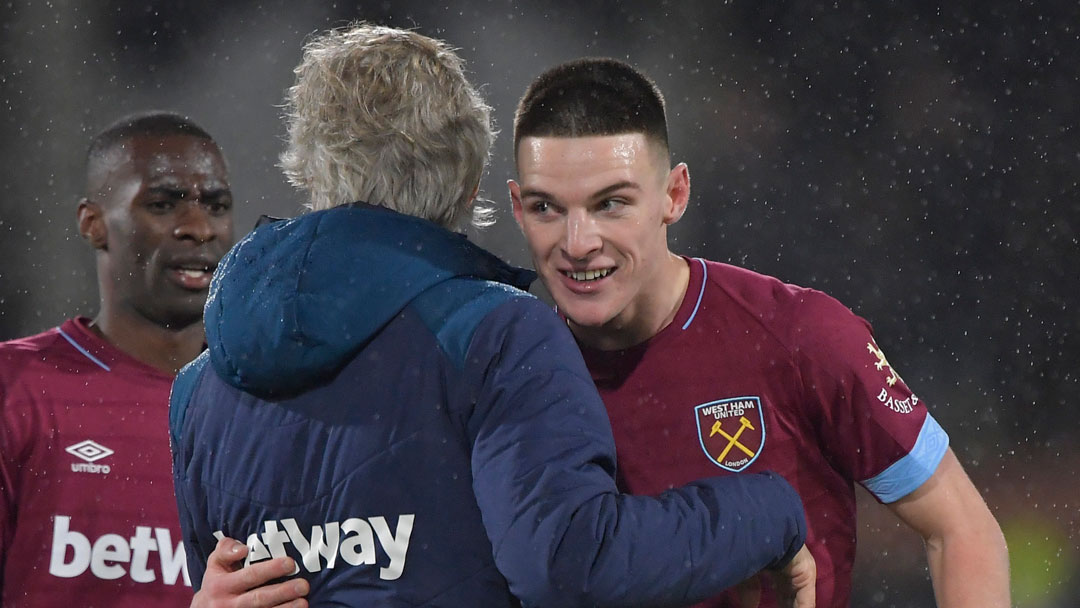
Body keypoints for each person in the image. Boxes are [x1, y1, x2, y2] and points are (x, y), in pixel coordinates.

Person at [171, 23, 816, 608]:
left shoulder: (200, 387)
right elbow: (570, 566)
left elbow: (228, 584)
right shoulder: (496, 335)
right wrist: (768, 509)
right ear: (471, 182)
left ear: (312, 171)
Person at [506, 57, 1011, 607]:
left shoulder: (799, 337)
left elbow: (960, 531)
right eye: (547, 208)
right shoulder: (508, 377)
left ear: (675, 195)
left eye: (611, 204)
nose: (578, 243)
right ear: (516, 208)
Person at [0, 112, 239, 605]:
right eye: (162, 204)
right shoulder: (15, 390)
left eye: (216, 206)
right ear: (93, 224)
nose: (198, 228)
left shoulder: (268, 405)